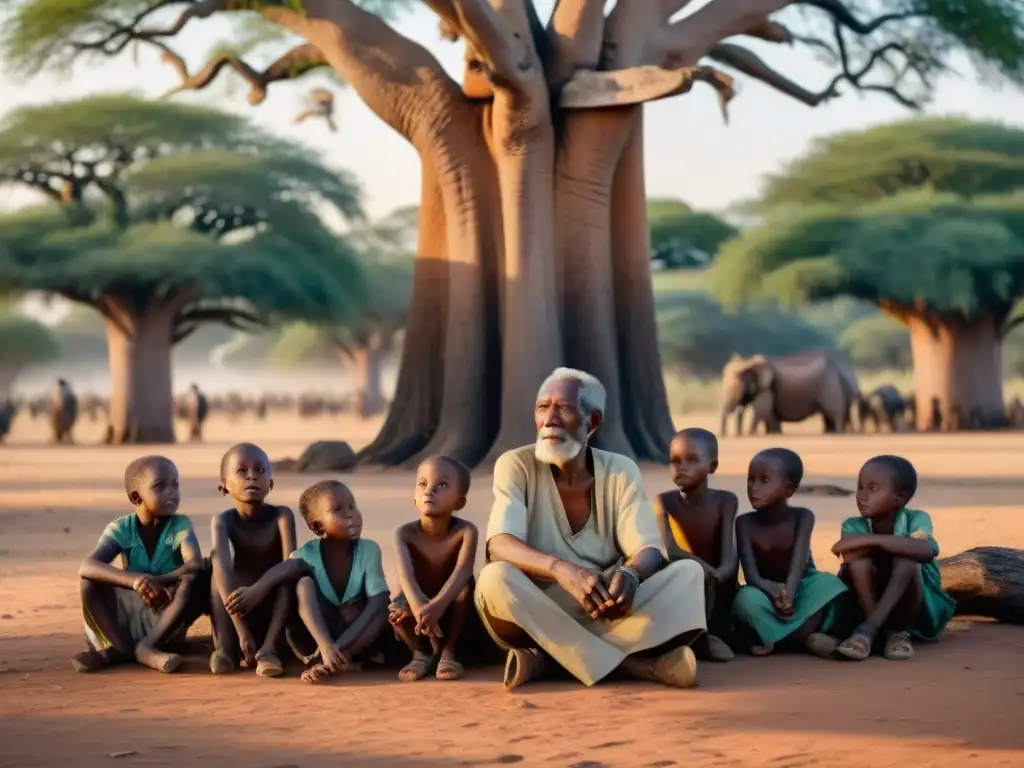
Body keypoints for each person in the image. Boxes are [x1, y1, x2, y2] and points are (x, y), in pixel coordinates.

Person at [475, 367, 708, 691]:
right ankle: (642, 668)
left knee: (688, 575)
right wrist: (561, 570)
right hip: (538, 604)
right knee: (494, 579)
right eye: (543, 407)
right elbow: (500, 544)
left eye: (564, 408)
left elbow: (648, 550)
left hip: (606, 610)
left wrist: (629, 576)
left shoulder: (620, 469)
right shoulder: (515, 465)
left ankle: (547, 658)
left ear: (592, 422)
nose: (550, 419)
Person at [225, 480, 391, 684]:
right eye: (338, 510)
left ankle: (334, 660)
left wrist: (335, 648)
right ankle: (325, 657)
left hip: (354, 637)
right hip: (315, 640)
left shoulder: (368, 550)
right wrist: (257, 590)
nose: (350, 514)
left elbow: (377, 603)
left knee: (382, 605)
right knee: (303, 583)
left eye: (352, 505)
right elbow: (287, 567)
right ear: (317, 526)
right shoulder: (308, 554)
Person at [73, 455, 208, 674]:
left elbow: (193, 564)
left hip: (168, 611)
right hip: (132, 613)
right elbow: (87, 566)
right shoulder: (122, 529)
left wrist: (157, 581)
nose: (171, 492)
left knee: (197, 576)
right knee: (89, 583)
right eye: (160, 486)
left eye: (175, 485)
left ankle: (147, 647)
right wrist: (136, 581)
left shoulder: (178, 525)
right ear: (137, 497)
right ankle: (118, 647)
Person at [830, 455, 956, 661]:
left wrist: (872, 541)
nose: (861, 496)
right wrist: (894, 544)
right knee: (859, 565)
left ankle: (871, 630)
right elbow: (851, 555)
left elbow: (925, 550)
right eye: (860, 487)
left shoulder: (916, 519)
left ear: (899, 498)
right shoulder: (853, 525)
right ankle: (887, 634)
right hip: (867, 603)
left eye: (872, 489)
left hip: (913, 606)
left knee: (907, 561)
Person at [732, 448, 847, 658]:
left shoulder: (803, 517)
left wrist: (790, 595)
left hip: (801, 587)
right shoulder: (744, 523)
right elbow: (751, 575)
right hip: (765, 592)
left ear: (790, 489)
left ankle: (776, 639)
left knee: (830, 584)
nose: (754, 488)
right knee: (745, 598)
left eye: (764, 480)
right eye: (751, 480)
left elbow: (799, 563)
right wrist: (774, 591)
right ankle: (803, 639)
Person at [209, 443, 296, 677]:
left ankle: (270, 649)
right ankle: (227, 648)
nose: (251, 477)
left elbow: (290, 564)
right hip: (237, 607)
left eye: (260, 470)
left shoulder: (282, 516)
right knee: (216, 566)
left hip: (274, 602)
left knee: (290, 578)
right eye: (241, 471)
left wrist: (260, 588)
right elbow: (222, 565)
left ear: (270, 483)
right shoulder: (223, 521)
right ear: (224, 485)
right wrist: (242, 631)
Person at [390, 455, 480, 682]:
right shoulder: (403, 533)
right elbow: (405, 577)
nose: (429, 491)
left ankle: (449, 653)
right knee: (397, 608)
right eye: (422, 484)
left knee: (464, 591)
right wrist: (421, 608)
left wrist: (436, 607)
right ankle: (420, 654)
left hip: (451, 606)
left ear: (459, 503)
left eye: (442, 485)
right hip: (419, 608)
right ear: (414, 499)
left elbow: (462, 572)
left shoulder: (466, 531)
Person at [652, 428, 738, 662]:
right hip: (687, 580)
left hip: (719, 583)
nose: (681, 468)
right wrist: (704, 569)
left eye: (692, 460)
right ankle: (697, 637)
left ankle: (713, 633)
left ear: (712, 466)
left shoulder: (726, 500)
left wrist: (722, 572)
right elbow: (671, 550)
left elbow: (730, 551)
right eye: (674, 461)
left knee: (732, 595)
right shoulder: (664, 501)